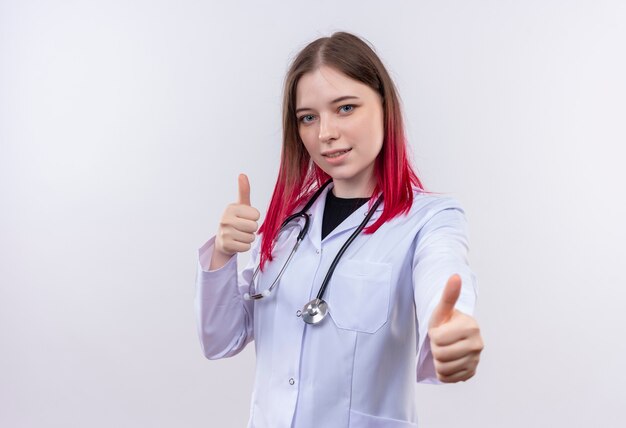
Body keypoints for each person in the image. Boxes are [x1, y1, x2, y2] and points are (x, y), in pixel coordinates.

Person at [195, 31, 484, 428]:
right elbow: (221, 339)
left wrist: (450, 328)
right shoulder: (286, 225)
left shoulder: (430, 220)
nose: (324, 132)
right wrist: (223, 255)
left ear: (384, 107)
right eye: (308, 117)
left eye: (345, 108)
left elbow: (444, 279)